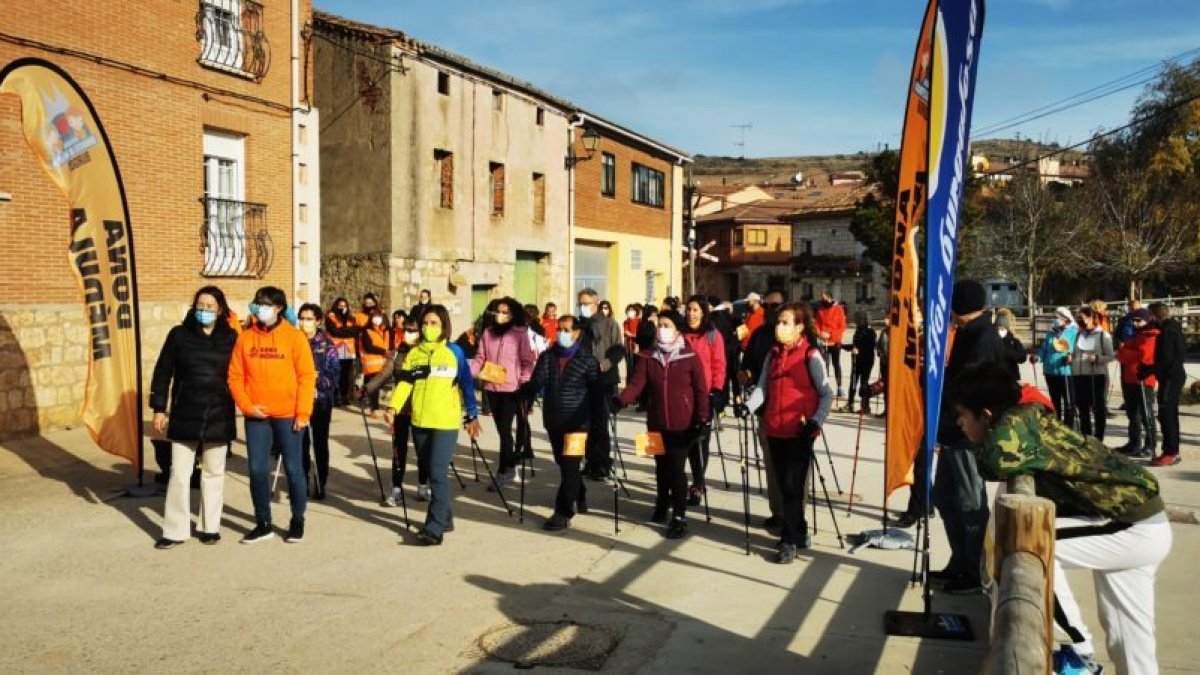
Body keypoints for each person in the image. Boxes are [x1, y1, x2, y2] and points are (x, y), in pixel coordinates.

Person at [951, 360, 1170, 675]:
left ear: (986, 415)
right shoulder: (1026, 413)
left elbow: (994, 461)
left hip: (1131, 525)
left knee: (1030, 544)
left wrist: (982, 440)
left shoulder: (1014, 424)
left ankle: (1077, 651)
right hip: (1143, 519)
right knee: (1129, 637)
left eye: (962, 415)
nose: (958, 423)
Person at [931, 278, 1006, 593]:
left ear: (960, 307)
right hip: (952, 428)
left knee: (969, 501)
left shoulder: (983, 337)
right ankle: (959, 561)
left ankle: (976, 570)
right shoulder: (967, 333)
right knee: (944, 497)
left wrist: (954, 407)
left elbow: (975, 386)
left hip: (967, 431)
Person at [149, 286, 239, 549]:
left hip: (219, 412)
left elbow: (243, 372)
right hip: (185, 412)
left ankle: (210, 527)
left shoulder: (231, 337)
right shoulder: (179, 335)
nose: (204, 310)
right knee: (179, 473)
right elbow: (163, 371)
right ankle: (174, 530)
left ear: (220, 310)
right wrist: (159, 408)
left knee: (214, 472)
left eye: (210, 306)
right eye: (200, 305)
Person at [385, 305, 482, 545]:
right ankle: (445, 518)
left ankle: (434, 527)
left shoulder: (454, 352)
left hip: (445, 422)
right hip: (420, 421)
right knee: (430, 472)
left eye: (434, 323)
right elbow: (405, 384)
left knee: (438, 473)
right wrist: (393, 408)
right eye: (425, 323)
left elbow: (466, 384)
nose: (429, 327)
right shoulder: (414, 354)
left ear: (444, 325)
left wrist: (472, 415)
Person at [744, 302, 833, 563]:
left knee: (793, 487)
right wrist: (748, 407)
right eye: (779, 322)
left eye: (786, 322)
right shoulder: (772, 355)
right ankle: (799, 529)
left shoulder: (810, 355)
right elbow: (763, 388)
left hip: (800, 430)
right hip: (774, 428)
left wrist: (816, 421)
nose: (780, 327)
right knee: (785, 486)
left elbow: (826, 393)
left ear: (800, 327)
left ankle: (788, 540)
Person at [228, 286, 317, 544]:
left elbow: (306, 376)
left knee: (294, 469)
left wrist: (303, 412)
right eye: (257, 303)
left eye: (265, 304)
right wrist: (246, 406)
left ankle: (297, 519)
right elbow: (234, 376)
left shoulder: (294, 337)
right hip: (256, 415)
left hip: (289, 415)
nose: (260, 308)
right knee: (257, 470)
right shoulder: (245, 338)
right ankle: (263, 523)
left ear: (278, 308)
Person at [616, 310, 710, 539]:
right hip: (655, 422)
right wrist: (620, 400)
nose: (661, 329)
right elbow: (636, 384)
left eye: (667, 325)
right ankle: (661, 502)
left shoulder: (689, 356)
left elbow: (700, 390)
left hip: (682, 424)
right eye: (660, 325)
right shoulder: (648, 356)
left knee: (676, 470)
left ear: (678, 330)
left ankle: (679, 516)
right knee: (661, 467)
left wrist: (702, 418)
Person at [522, 315, 599, 532]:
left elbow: (595, 395)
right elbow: (537, 381)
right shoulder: (547, 357)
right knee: (564, 464)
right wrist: (525, 392)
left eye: (566, 330)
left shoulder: (588, 360)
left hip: (578, 424)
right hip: (554, 421)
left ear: (577, 333)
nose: (561, 334)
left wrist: (598, 425)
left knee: (571, 465)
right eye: (559, 329)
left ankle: (563, 512)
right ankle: (579, 493)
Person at [470, 297, 536, 488]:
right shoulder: (488, 333)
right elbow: (480, 358)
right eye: (498, 311)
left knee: (505, 430)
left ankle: (503, 472)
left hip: (512, 389)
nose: (500, 315)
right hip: (491, 387)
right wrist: (468, 375)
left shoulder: (520, 334)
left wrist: (524, 382)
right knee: (502, 431)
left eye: (505, 312)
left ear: (513, 314)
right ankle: (511, 465)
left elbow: (527, 361)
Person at [737, 288, 787, 533]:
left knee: (794, 468)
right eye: (766, 306)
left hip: (792, 413)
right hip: (764, 409)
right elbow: (747, 365)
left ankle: (794, 517)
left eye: (774, 306)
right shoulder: (759, 334)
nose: (769, 310)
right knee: (771, 464)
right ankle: (778, 513)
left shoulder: (799, 336)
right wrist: (744, 375)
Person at [365, 316, 428, 503]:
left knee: (422, 449)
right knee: (398, 450)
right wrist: (366, 389)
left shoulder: (427, 353)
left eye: (413, 330)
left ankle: (422, 485)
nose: (409, 334)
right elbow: (384, 374)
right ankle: (396, 489)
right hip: (399, 409)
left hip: (421, 408)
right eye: (406, 330)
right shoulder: (397, 353)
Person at [681, 295, 727, 505]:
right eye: (689, 309)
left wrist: (717, 390)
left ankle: (698, 484)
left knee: (700, 441)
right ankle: (679, 483)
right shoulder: (679, 334)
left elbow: (719, 364)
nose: (691, 314)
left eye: (695, 310)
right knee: (683, 442)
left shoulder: (712, 335)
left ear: (703, 312)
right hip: (681, 395)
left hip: (704, 394)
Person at [578, 288, 625, 480]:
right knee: (585, 424)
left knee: (600, 423)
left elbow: (618, 350)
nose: (583, 307)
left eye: (586, 303)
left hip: (604, 379)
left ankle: (603, 464)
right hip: (583, 380)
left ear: (596, 303)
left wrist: (604, 364)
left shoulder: (610, 324)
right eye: (580, 303)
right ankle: (590, 462)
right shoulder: (579, 325)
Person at [297, 303, 340, 501]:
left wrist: (317, 381)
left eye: (309, 319)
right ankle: (302, 480)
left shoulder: (327, 345)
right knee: (300, 443)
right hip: (298, 400)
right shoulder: (294, 341)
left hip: (321, 401)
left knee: (320, 442)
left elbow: (334, 374)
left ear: (318, 321)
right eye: (302, 318)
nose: (305, 323)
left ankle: (321, 480)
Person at [1114, 308, 1158, 459]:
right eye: (1133, 320)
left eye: (1138, 320)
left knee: (1146, 413)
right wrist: (1125, 352)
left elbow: (1143, 355)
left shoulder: (1151, 334)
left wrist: (1125, 353)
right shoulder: (1136, 334)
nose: (1135, 323)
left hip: (1143, 379)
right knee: (1132, 413)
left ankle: (1150, 445)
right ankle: (1134, 442)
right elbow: (1124, 350)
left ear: (1147, 320)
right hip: (1130, 377)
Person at [1147, 302, 1185, 466]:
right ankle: (1170, 450)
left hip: (1171, 377)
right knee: (1167, 413)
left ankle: (1171, 452)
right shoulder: (1168, 328)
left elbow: (1166, 358)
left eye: (1150, 316)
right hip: (1169, 376)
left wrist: (1149, 369)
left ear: (1156, 315)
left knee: (1166, 414)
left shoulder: (1169, 331)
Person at [1071, 307, 1114, 441]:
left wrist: (1097, 358)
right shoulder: (1078, 334)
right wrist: (1070, 357)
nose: (1079, 320)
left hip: (1096, 375)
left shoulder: (1102, 335)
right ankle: (1086, 436)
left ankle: (1099, 437)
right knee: (1082, 407)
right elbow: (1075, 353)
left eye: (1082, 317)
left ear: (1091, 318)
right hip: (1079, 375)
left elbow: (1111, 356)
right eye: (1078, 318)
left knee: (1098, 407)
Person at [1033, 307, 1079, 428]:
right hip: (1050, 371)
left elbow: (1077, 351)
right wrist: (1037, 358)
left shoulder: (1074, 332)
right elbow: (1044, 350)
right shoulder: (1051, 333)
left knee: (1068, 402)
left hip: (1065, 371)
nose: (1056, 319)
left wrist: (1071, 357)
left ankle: (1068, 427)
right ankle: (1056, 426)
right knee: (1055, 402)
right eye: (1055, 317)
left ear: (1067, 319)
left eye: (1059, 317)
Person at [325, 297, 359, 405]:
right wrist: (347, 332)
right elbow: (334, 331)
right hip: (336, 349)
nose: (342, 308)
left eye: (344, 306)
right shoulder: (331, 316)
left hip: (348, 350)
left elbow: (355, 331)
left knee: (346, 375)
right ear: (336, 306)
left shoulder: (351, 318)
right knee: (335, 373)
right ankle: (336, 397)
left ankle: (345, 396)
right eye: (340, 306)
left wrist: (342, 331)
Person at [358, 306, 391, 416]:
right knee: (374, 387)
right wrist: (383, 351)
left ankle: (364, 397)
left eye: (379, 316)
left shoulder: (383, 331)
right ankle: (374, 409)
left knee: (372, 385)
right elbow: (368, 347)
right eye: (375, 316)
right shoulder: (366, 331)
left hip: (382, 362)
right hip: (371, 363)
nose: (377, 318)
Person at [814, 290, 848, 398]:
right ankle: (826, 387)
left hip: (835, 341)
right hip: (823, 341)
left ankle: (840, 387)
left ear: (830, 298)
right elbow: (816, 324)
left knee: (836, 364)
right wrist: (820, 334)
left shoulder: (839, 309)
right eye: (822, 299)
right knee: (825, 365)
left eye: (825, 298)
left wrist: (831, 335)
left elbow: (842, 327)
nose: (823, 300)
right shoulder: (820, 309)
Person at [843, 311, 876, 414]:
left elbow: (870, 347)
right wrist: (842, 346)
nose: (856, 321)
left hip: (866, 360)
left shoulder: (870, 332)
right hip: (856, 360)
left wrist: (859, 350)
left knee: (864, 383)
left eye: (858, 320)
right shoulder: (858, 330)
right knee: (853, 382)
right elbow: (854, 345)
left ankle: (865, 405)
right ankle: (850, 403)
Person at [994, 307, 1027, 381]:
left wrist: (1008, 352)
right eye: (997, 329)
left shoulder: (1014, 341)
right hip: (995, 377)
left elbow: (1022, 357)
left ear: (1007, 329)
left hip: (1011, 376)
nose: (999, 331)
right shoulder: (991, 340)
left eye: (1002, 329)